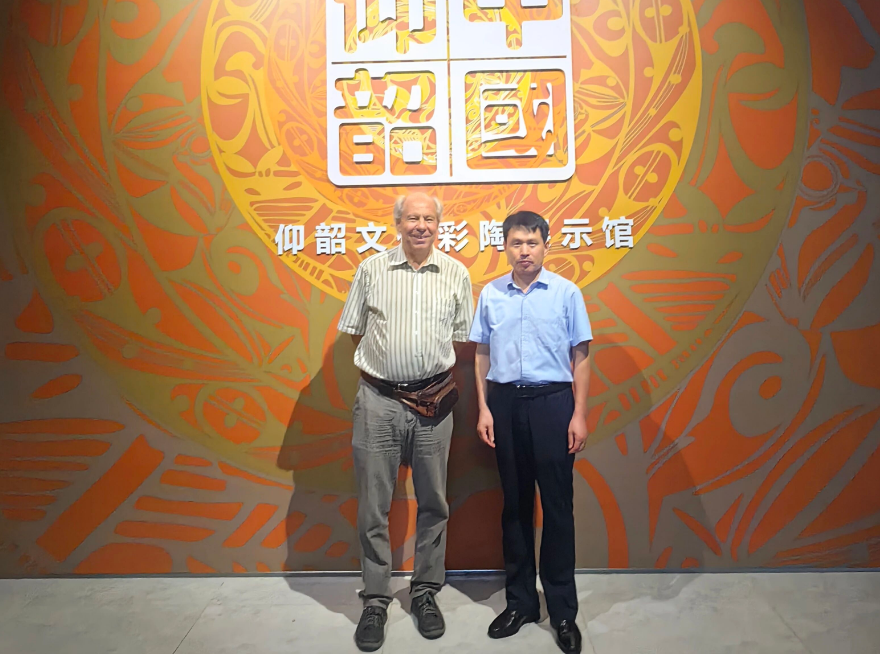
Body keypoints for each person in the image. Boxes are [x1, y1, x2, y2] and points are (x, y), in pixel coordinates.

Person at [337, 192, 474, 652]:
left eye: (429, 218)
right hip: (378, 400)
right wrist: (391, 372)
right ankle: (376, 599)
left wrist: (421, 374)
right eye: (412, 217)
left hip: (433, 402)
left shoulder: (456, 273)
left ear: (439, 224)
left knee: (434, 500)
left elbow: (459, 338)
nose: (421, 225)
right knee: (373, 504)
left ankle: (425, 591)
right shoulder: (371, 270)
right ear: (397, 223)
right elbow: (357, 330)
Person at [469, 211, 592, 654]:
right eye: (516, 243)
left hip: (553, 403)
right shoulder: (491, 294)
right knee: (515, 506)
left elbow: (581, 355)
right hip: (504, 404)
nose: (525, 251)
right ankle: (520, 603)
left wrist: (578, 414)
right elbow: (481, 354)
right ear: (505, 246)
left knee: (557, 508)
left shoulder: (566, 292)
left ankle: (562, 610)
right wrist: (484, 408)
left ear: (546, 246)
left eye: (532, 243)